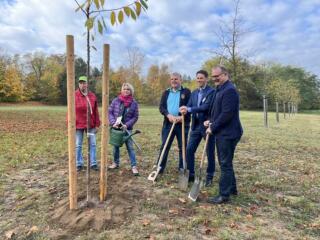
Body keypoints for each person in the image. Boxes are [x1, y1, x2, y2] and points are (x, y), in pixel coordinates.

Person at [205, 66, 243, 204]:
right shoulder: (220, 89)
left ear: (225, 74)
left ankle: (224, 195)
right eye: (213, 76)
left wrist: (213, 127)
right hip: (223, 132)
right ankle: (232, 189)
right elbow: (218, 110)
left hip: (228, 133)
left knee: (225, 163)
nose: (214, 79)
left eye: (217, 76)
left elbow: (227, 114)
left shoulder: (230, 90)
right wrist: (210, 121)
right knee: (226, 162)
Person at [179, 70, 215, 186]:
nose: (199, 80)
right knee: (189, 150)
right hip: (195, 126)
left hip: (207, 126)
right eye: (198, 78)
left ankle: (209, 176)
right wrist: (184, 109)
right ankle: (191, 174)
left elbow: (206, 107)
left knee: (209, 152)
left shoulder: (211, 92)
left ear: (206, 79)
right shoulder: (194, 93)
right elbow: (189, 105)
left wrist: (189, 109)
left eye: (201, 78)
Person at [158, 72, 191, 174]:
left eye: (176, 79)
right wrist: (168, 115)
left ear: (181, 80)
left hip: (182, 124)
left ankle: (182, 169)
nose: (174, 81)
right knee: (165, 145)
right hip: (168, 124)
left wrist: (183, 117)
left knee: (183, 147)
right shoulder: (166, 92)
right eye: (172, 79)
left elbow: (190, 107)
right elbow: (161, 107)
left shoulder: (187, 92)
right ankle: (159, 167)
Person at [108, 83, 139, 176]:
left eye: (128, 89)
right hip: (116, 128)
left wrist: (127, 125)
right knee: (116, 147)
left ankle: (134, 166)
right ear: (122, 90)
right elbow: (110, 112)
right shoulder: (116, 101)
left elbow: (135, 116)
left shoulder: (134, 103)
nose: (126, 90)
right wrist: (114, 122)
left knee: (130, 147)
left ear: (131, 91)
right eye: (124, 89)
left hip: (127, 129)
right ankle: (115, 163)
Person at [75, 76, 100, 172]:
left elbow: (95, 110)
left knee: (93, 143)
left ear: (87, 84)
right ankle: (79, 163)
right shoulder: (74, 95)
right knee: (78, 144)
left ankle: (93, 163)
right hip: (78, 124)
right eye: (80, 83)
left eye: (84, 82)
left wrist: (97, 124)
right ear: (78, 84)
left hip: (90, 125)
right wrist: (70, 123)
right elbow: (70, 111)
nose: (82, 84)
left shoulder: (92, 96)